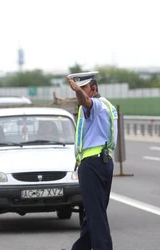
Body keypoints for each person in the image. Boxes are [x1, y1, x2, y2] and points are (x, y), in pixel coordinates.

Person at [66, 71, 118, 250]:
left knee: (96, 216)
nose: (79, 92)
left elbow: (85, 101)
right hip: (101, 162)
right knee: (93, 214)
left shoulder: (94, 104)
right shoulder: (108, 105)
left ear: (94, 89)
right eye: (78, 88)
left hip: (93, 166)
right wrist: (80, 156)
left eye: (83, 88)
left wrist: (77, 92)